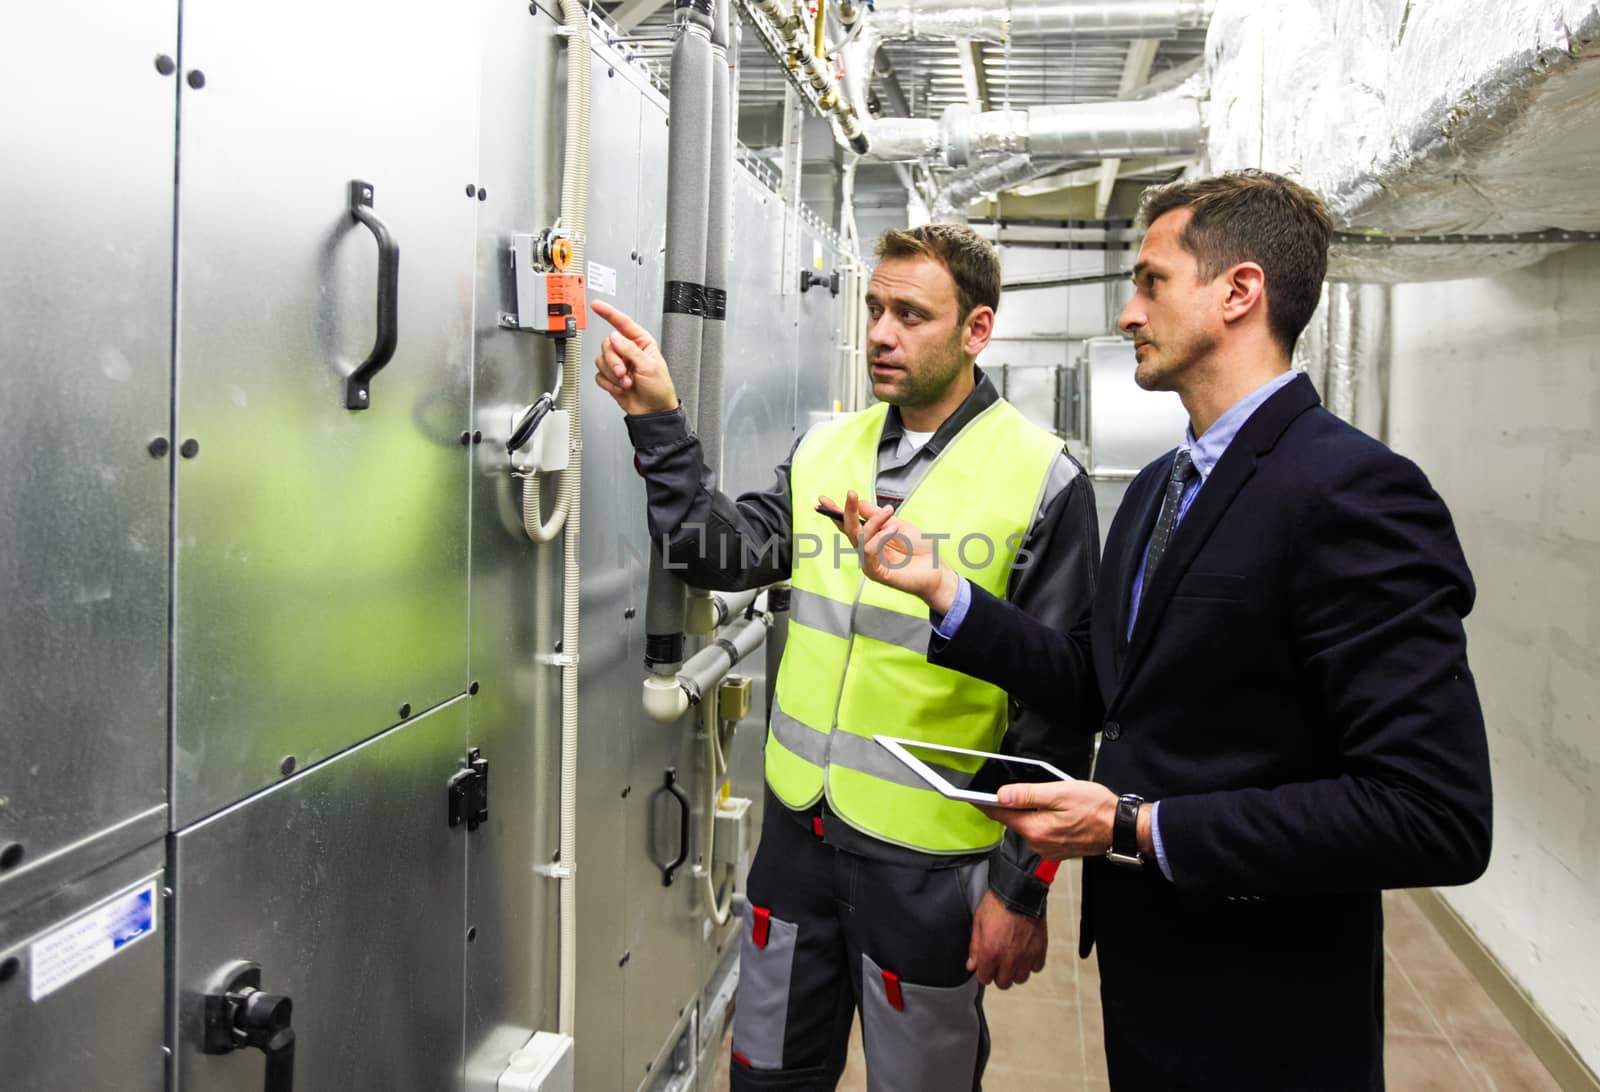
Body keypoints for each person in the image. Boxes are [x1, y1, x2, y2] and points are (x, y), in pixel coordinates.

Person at [841, 172, 1493, 1090]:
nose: (1125, 313)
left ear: (1239, 292)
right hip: (1150, 979)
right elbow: (1101, 687)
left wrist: (1136, 826)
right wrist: (945, 593)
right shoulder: (1155, 489)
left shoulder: (1355, 491)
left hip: (1267, 1008)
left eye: (1150, 281)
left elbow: (1434, 814)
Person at [590, 223, 1101, 1091]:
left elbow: (1061, 701)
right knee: (767, 1075)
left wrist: (1019, 892)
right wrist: (657, 421)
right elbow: (718, 553)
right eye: (875, 309)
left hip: (928, 864)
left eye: (911, 314)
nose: (880, 333)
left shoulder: (1042, 478)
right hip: (797, 838)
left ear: (977, 330)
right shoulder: (829, 446)